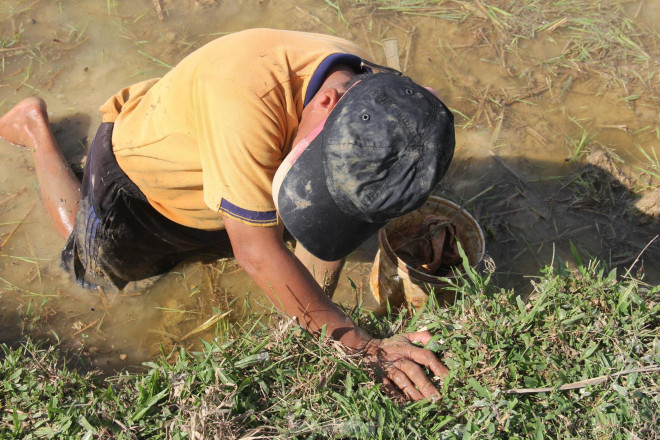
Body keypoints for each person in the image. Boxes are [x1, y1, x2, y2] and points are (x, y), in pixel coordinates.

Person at [0, 28, 455, 401]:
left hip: (228, 171)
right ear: (327, 105)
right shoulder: (246, 103)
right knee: (92, 272)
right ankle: (33, 128)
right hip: (142, 185)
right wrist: (360, 346)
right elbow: (256, 254)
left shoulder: (379, 92)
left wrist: (320, 322)